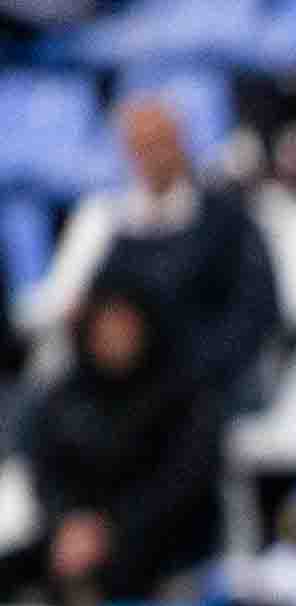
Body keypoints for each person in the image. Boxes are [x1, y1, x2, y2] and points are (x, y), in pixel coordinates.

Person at [17, 93, 279, 412]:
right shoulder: (104, 221)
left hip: (204, 391)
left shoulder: (228, 221)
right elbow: (68, 303)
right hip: (118, 394)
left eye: (161, 142)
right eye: (141, 146)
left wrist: (190, 373)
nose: (153, 156)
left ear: (182, 141)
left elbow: (254, 313)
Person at [19, 283, 220, 606]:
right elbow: (46, 476)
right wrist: (68, 522)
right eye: (105, 327)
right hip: (76, 539)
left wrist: (112, 529)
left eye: (124, 326)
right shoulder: (63, 400)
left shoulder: (184, 398)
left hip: (162, 540)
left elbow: (182, 483)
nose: (114, 337)